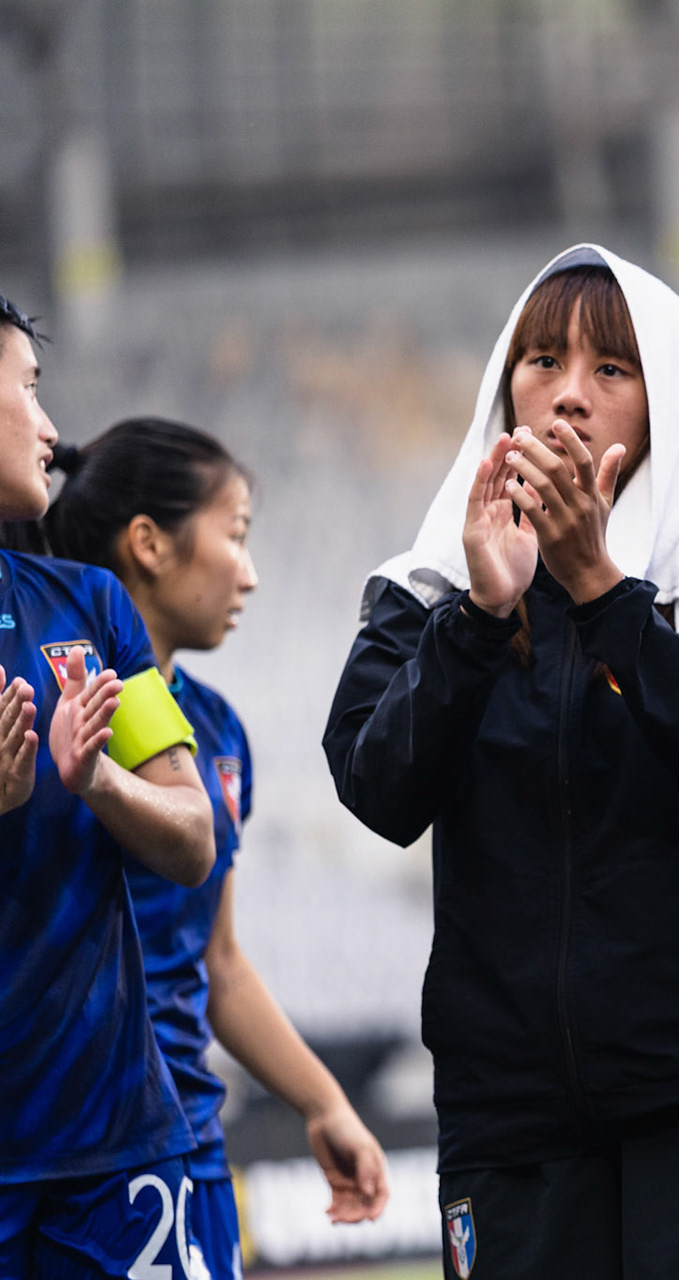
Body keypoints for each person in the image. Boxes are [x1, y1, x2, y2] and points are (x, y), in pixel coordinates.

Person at [325, 245, 679, 1280]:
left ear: (667, 400)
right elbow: (377, 787)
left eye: (612, 371)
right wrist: (481, 613)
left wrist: (602, 590)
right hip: (511, 1114)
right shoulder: (427, 589)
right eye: (541, 362)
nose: (568, 397)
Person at [43, 418, 390, 1280]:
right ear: (150, 545)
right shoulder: (51, 708)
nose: (251, 572)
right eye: (234, 537)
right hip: (81, 1141)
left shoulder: (220, 733)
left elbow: (220, 963)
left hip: (190, 1142)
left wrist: (323, 1104)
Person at [0, 296, 216, 1277]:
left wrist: (99, 784)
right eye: (28, 393)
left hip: (117, 1156)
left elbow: (192, 833)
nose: (50, 428)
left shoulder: (90, 604)